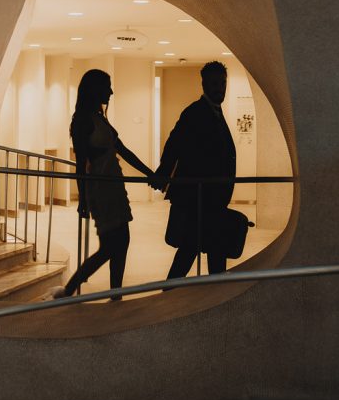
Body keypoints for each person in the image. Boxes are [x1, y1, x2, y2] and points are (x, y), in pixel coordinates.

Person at [52, 69, 155, 300]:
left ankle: (114, 293)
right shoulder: (82, 121)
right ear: (94, 89)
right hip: (100, 189)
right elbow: (80, 165)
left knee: (122, 242)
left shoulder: (99, 118)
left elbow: (123, 150)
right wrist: (84, 200)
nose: (111, 91)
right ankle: (71, 289)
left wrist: (150, 174)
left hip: (114, 187)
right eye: (106, 86)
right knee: (110, 246)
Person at [153, 60, 237, 279]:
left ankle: (181, 291)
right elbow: (174, 144)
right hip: (199, 197)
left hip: (211, 197)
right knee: (195, 247)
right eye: (215, 83)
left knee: (202, 247)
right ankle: (173, 291)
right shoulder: (195, 112)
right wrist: (163, 173)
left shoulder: (214, 112)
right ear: (204, 85)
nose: (220, 88)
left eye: (222, 83)